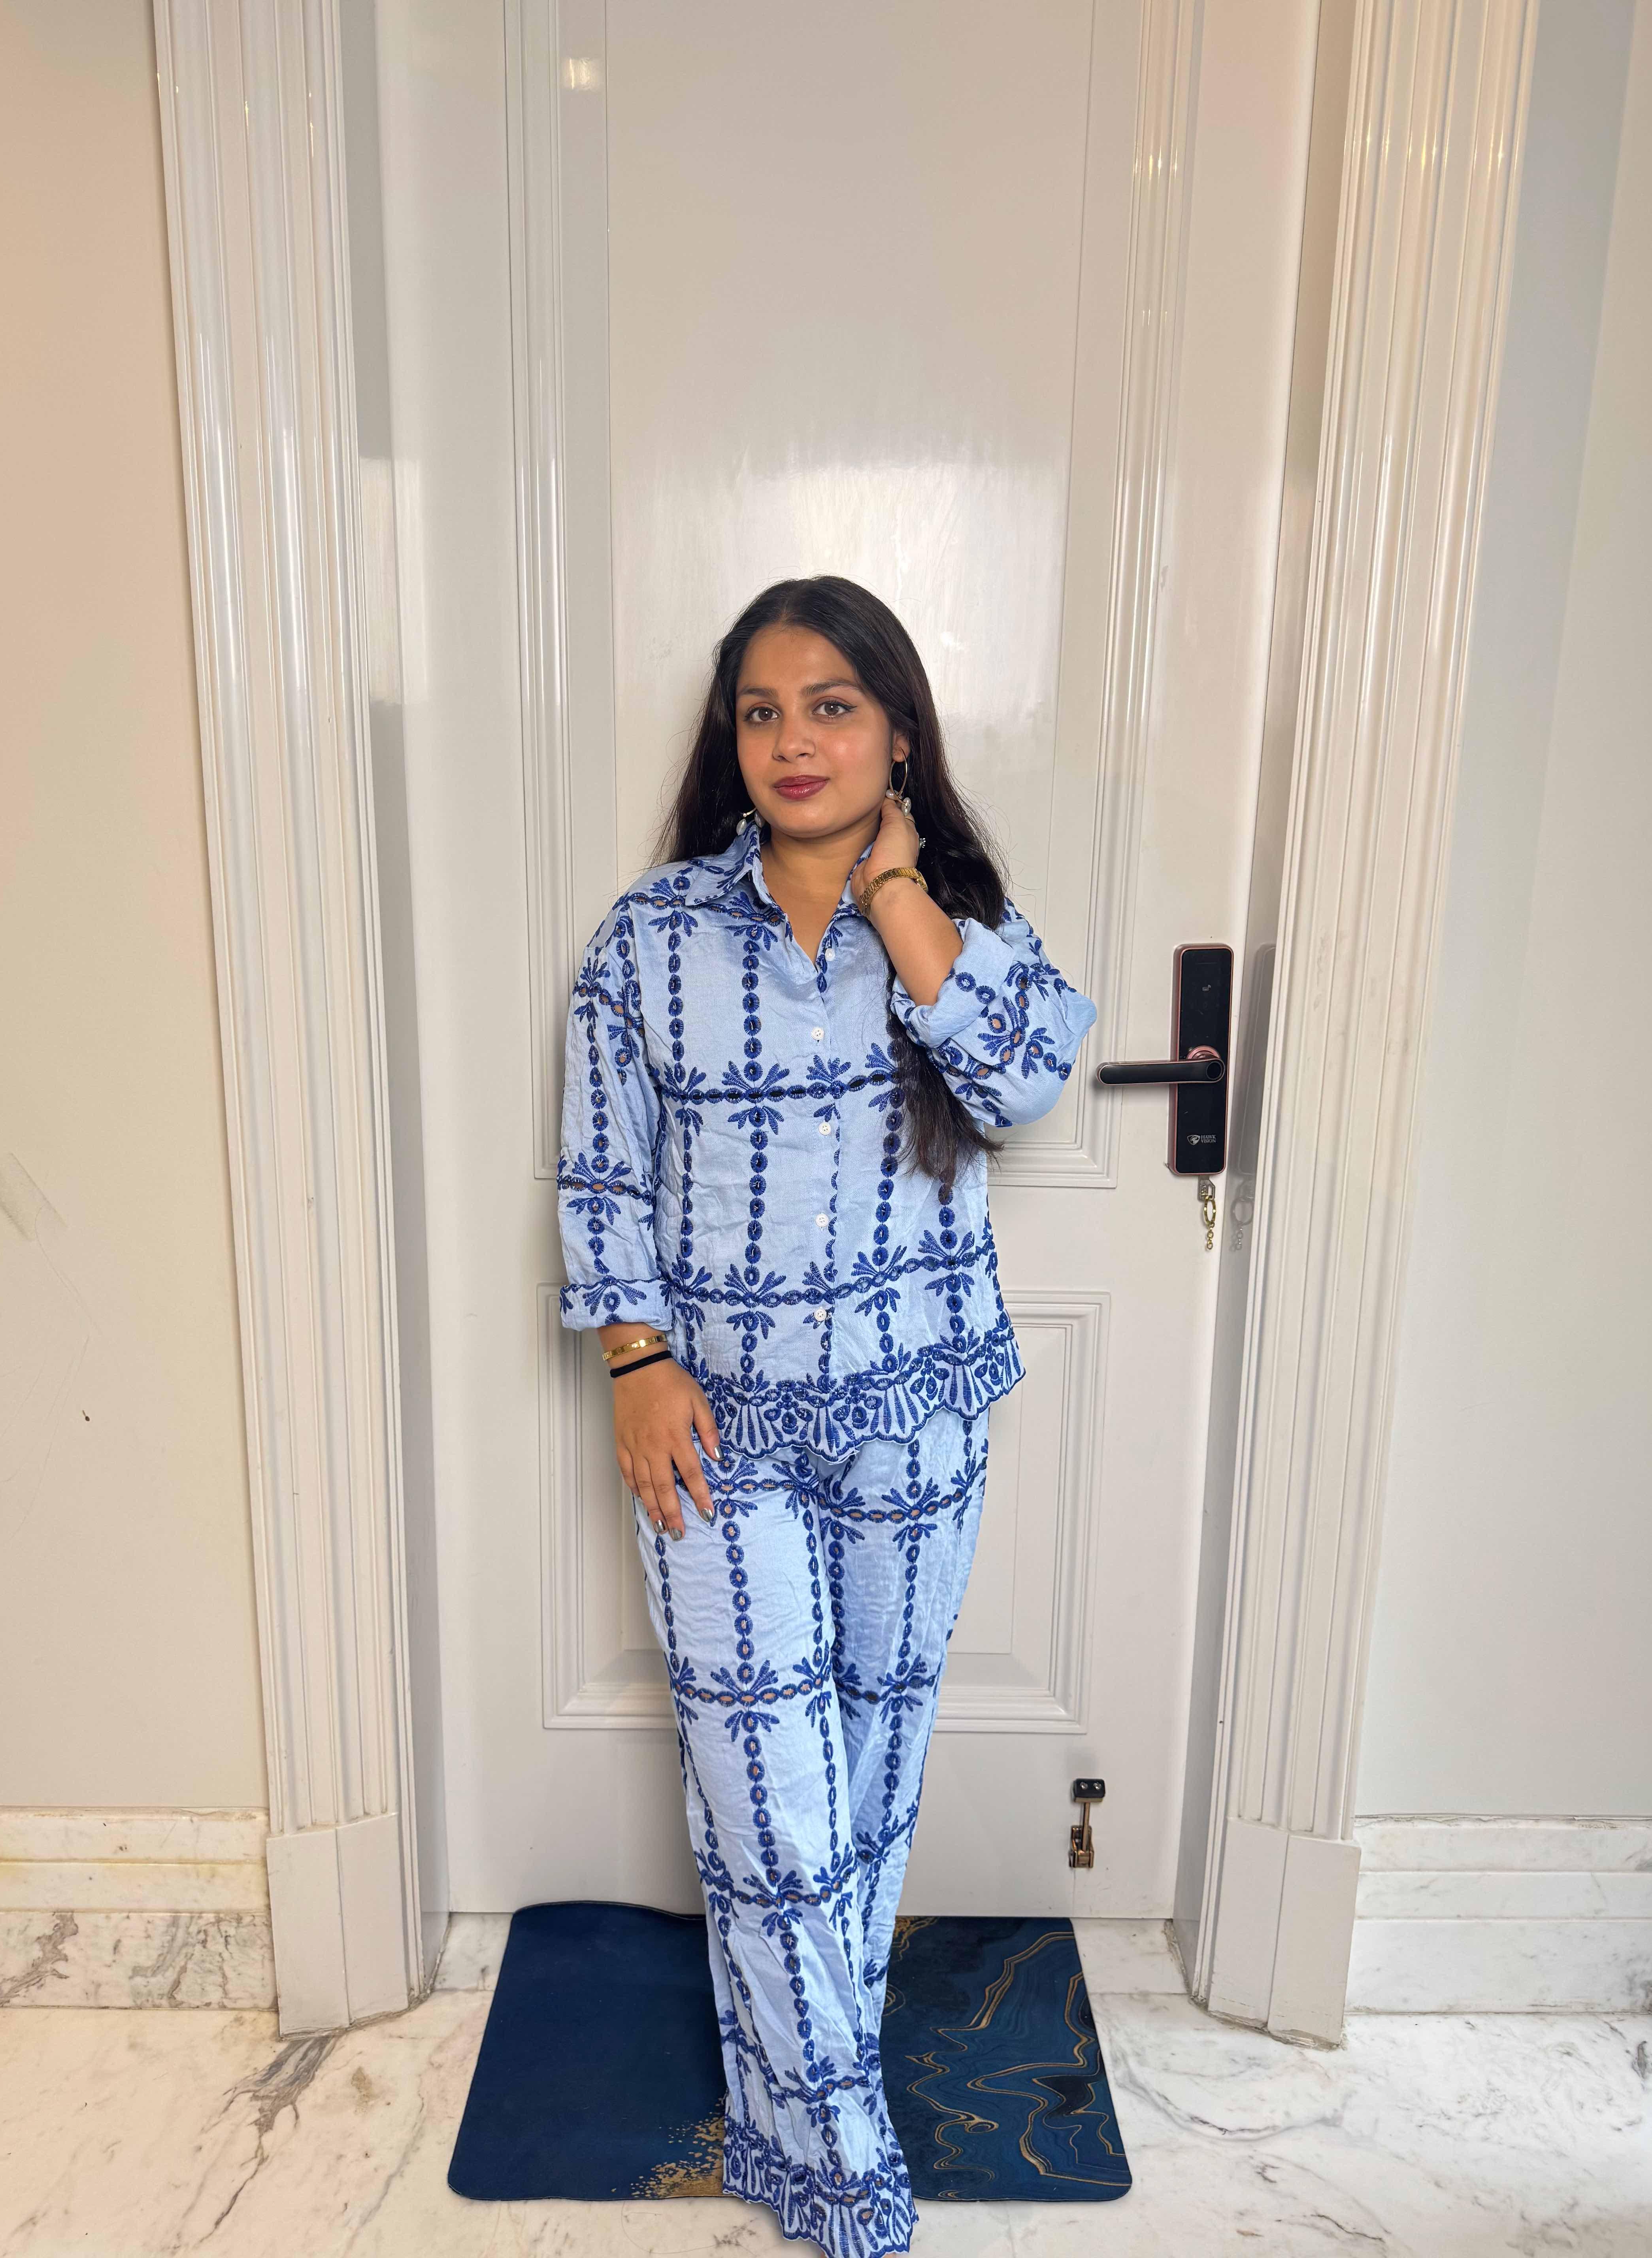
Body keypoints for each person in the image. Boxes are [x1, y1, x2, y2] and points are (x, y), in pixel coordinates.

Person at [555, 575, 1098, 2258]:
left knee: (866, 1773)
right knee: (770, 1792)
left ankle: (795, 2114)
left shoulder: (964, 929)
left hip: (917, 1409)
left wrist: (898, 897)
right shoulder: (650, 937)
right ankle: (845, 2167)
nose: (793, 741)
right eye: (761, 712)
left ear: (898, 734)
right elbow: (602, 1169)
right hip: (715, 1431)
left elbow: (1023, 1080)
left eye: (833, 707)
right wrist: (635, 1363)